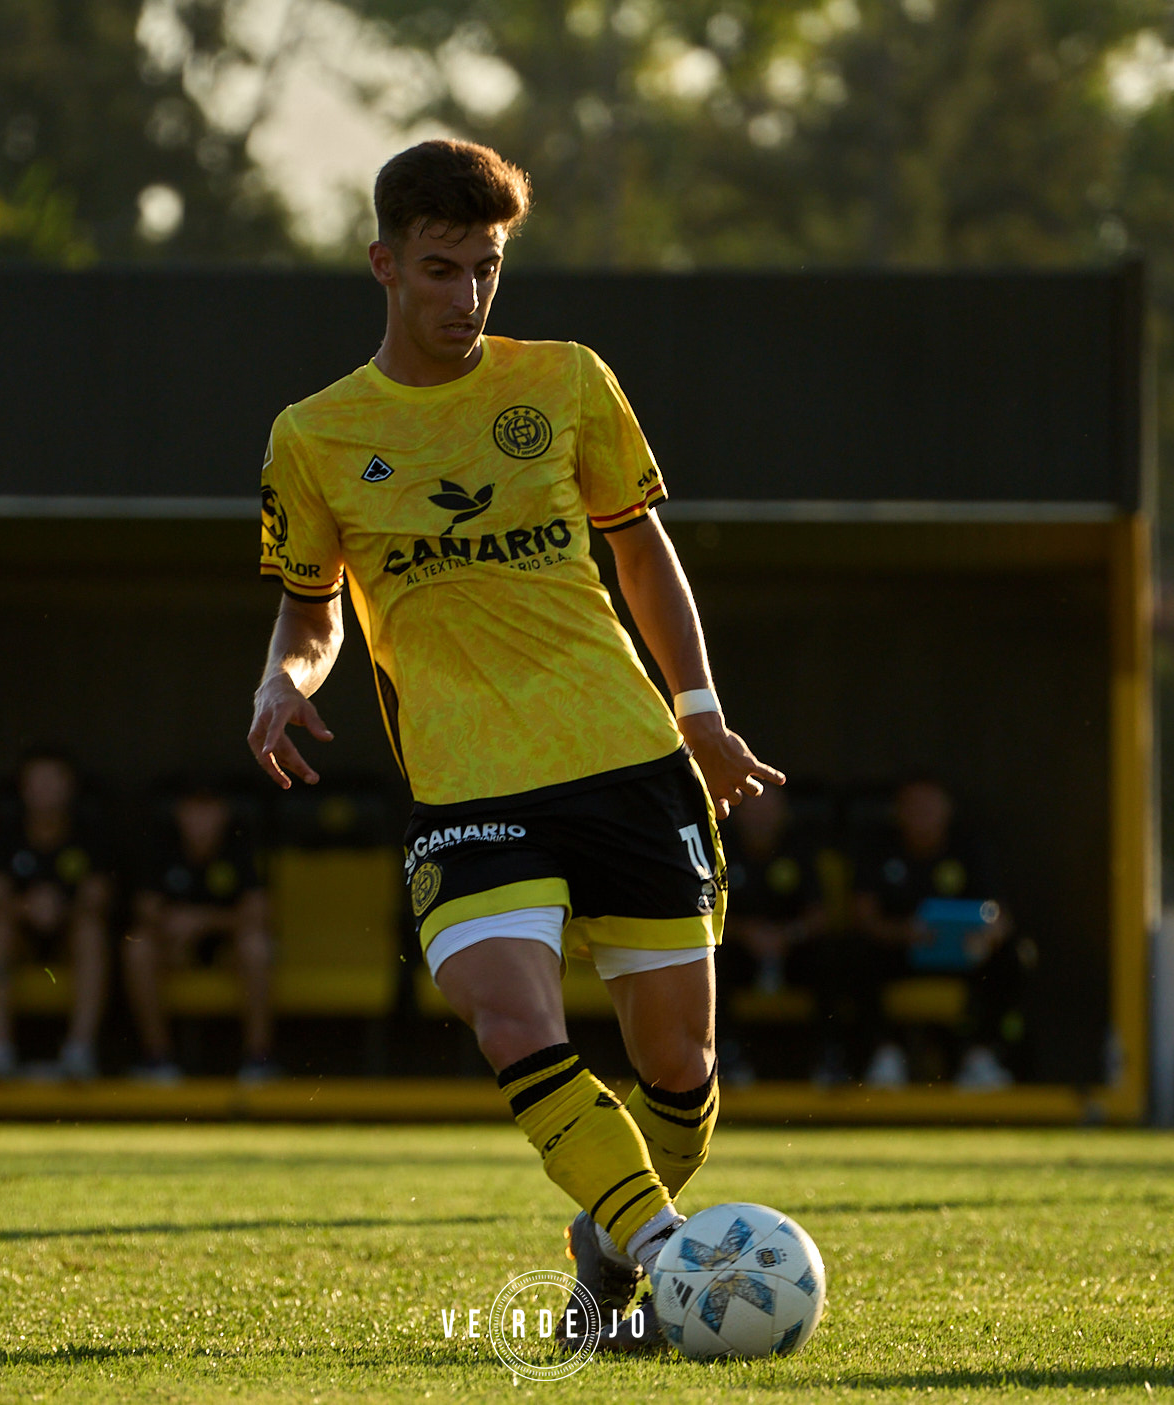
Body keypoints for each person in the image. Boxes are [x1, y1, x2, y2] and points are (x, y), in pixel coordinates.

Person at [246, 139, 781, 1351]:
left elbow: (641, 550)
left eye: (486, 269)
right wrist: (283, 682)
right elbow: (309, 601)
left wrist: (700, 716)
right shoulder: (315, 435)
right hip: (468, 783)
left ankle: (603, 1254)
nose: (466, 298)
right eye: (440, 270)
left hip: (629, 760)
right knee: (509, 1021)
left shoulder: (569, 382)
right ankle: (670, 1257)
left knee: (682, 1077)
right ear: (384, 264)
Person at [841, 776, 1022, 1091]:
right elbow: (863, 918)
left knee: (1014, 957)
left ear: (947, 810)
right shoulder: (878, 848)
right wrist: (904, 932)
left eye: (929, 806)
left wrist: (984, 936)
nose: (921, 813)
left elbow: (1000, 916)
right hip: (899, 954)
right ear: (898, 811)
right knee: (852, 954)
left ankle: (981, 1055)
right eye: (913, 806)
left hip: (962, 956)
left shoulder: (970, 847)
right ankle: (884, 1056)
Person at [122, 781, 278, 1084]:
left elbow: (259, 912)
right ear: (180, 814)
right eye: (193, 811)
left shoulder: (240, 845)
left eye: (208, 811)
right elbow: (144, 908)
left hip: (227, 948)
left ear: (223, 814)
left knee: (257, 946)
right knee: (137, 948)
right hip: (174, 946)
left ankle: (259, 1059)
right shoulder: (162, 845)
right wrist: (174, 926)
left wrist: (204, 919)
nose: (200, 821)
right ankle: (157, 1059)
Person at [0, 751, 113, 1080]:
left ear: (70, 788)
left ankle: (79, 1050)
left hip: (69, 937)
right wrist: (27, 907)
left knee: (91, 930)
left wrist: (58, 909)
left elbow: (99, 897)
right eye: (38, 782)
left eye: (54, 781)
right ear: (23, 789)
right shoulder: (5, 834)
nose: (46, 790)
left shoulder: (89, 835)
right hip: (21, 938)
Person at [713, 787, 827, 1086]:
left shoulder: (800, 850)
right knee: (708, 961)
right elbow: (700, 911)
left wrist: (787, 935)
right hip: (738, 950)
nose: (761, 818)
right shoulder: (720, 848)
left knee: (833, 960)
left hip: (791, 951)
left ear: (783, 814)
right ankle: (728, 1056)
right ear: (738, 812)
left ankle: (827, 1060)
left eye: (769, 809)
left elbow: (819, 915)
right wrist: (746, 933)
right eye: (754, 809)